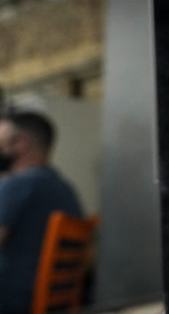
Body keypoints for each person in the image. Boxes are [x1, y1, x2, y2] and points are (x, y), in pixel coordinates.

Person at [0, 111, 83, 313]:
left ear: (21, 144)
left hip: (12, 301)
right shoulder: (65, 189)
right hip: (53, 302)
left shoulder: (18, 185)